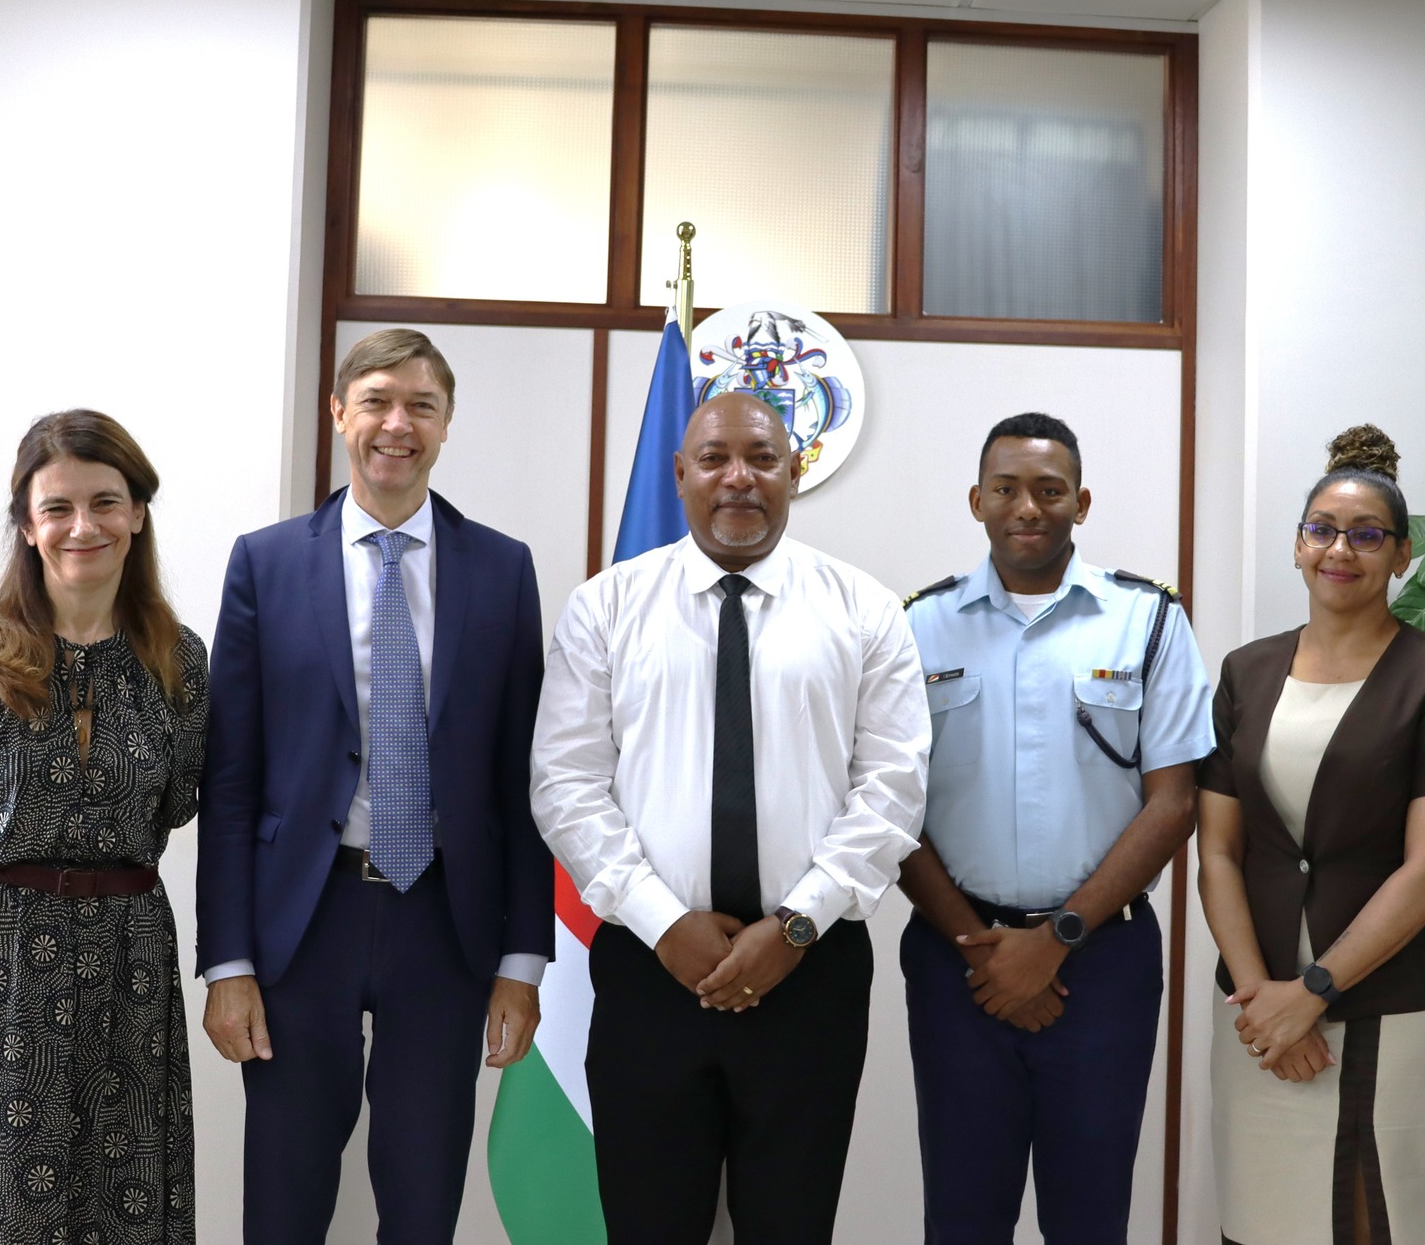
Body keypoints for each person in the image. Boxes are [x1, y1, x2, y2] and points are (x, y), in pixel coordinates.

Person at [531, 391, 929, 1245]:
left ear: (795, 471)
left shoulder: (864, 610)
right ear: (680, 473)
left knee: (791, 1226)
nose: (738, 477)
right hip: (650, 970)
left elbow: (893, 788)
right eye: (714, 458)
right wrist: (662, 920)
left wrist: (795, 924)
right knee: (649, 1227)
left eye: (761, 457)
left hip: (810, 973)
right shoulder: (606, 606)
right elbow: (566, 783)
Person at [195, 328, 552, 1245]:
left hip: (444, 922)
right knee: (284, 1202)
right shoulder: (266, 563)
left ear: (446, 423)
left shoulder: (503, 568)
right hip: (300, 924)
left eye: (421, 406)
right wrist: (227, 962)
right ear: (339, 412)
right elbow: (230, 782)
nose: (399, 424)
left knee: (423, 1202)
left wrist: (522, 962)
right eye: (378, 402)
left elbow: (521, 778)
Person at [0, 411, 208, 1245]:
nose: (82, 525)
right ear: (27, 523)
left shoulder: (180, 660)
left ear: (137, 513)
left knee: (116, 1190)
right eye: (57, 506)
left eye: (105, 501)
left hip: (127, 961)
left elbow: (172, 808)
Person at [897, 412, 1210, 1244]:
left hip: (1102, 962)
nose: (1027, 507)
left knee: (1090, 1217)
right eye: (1005, 488)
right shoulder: (916, 626)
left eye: (1049, 489)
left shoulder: (1147, 619)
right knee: (962, 1217)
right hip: (957, 961)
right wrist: (983, 951)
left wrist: (1055, 939)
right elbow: (890, 808)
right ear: (977, 500)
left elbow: (1173, 802)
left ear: (1082, 501)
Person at [1198, 426, 1425, 1245]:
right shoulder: (1246, 671)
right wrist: (1261, 999)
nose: (1340, 549)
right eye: (1322, 529)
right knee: (1267, 1221)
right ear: (1298, 545)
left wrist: (1314, 992)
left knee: (1387, 1217)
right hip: (1259, 1012)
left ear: (1402, 555)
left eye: (1367, 535)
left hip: (1406, 1008)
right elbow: (1217, 850)